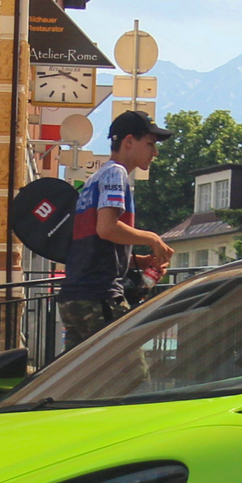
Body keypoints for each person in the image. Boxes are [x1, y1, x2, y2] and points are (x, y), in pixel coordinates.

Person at [56, 110, 174, 354]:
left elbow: (95, 241)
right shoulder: (115, 173)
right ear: (129, 141)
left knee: (80, 380)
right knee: (129, 376)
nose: (155, 153)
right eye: (150, 144)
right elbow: (107, 228)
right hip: (99, 296)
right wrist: (152, 239)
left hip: (74, 296)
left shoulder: (94, 179)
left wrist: (138, 261)